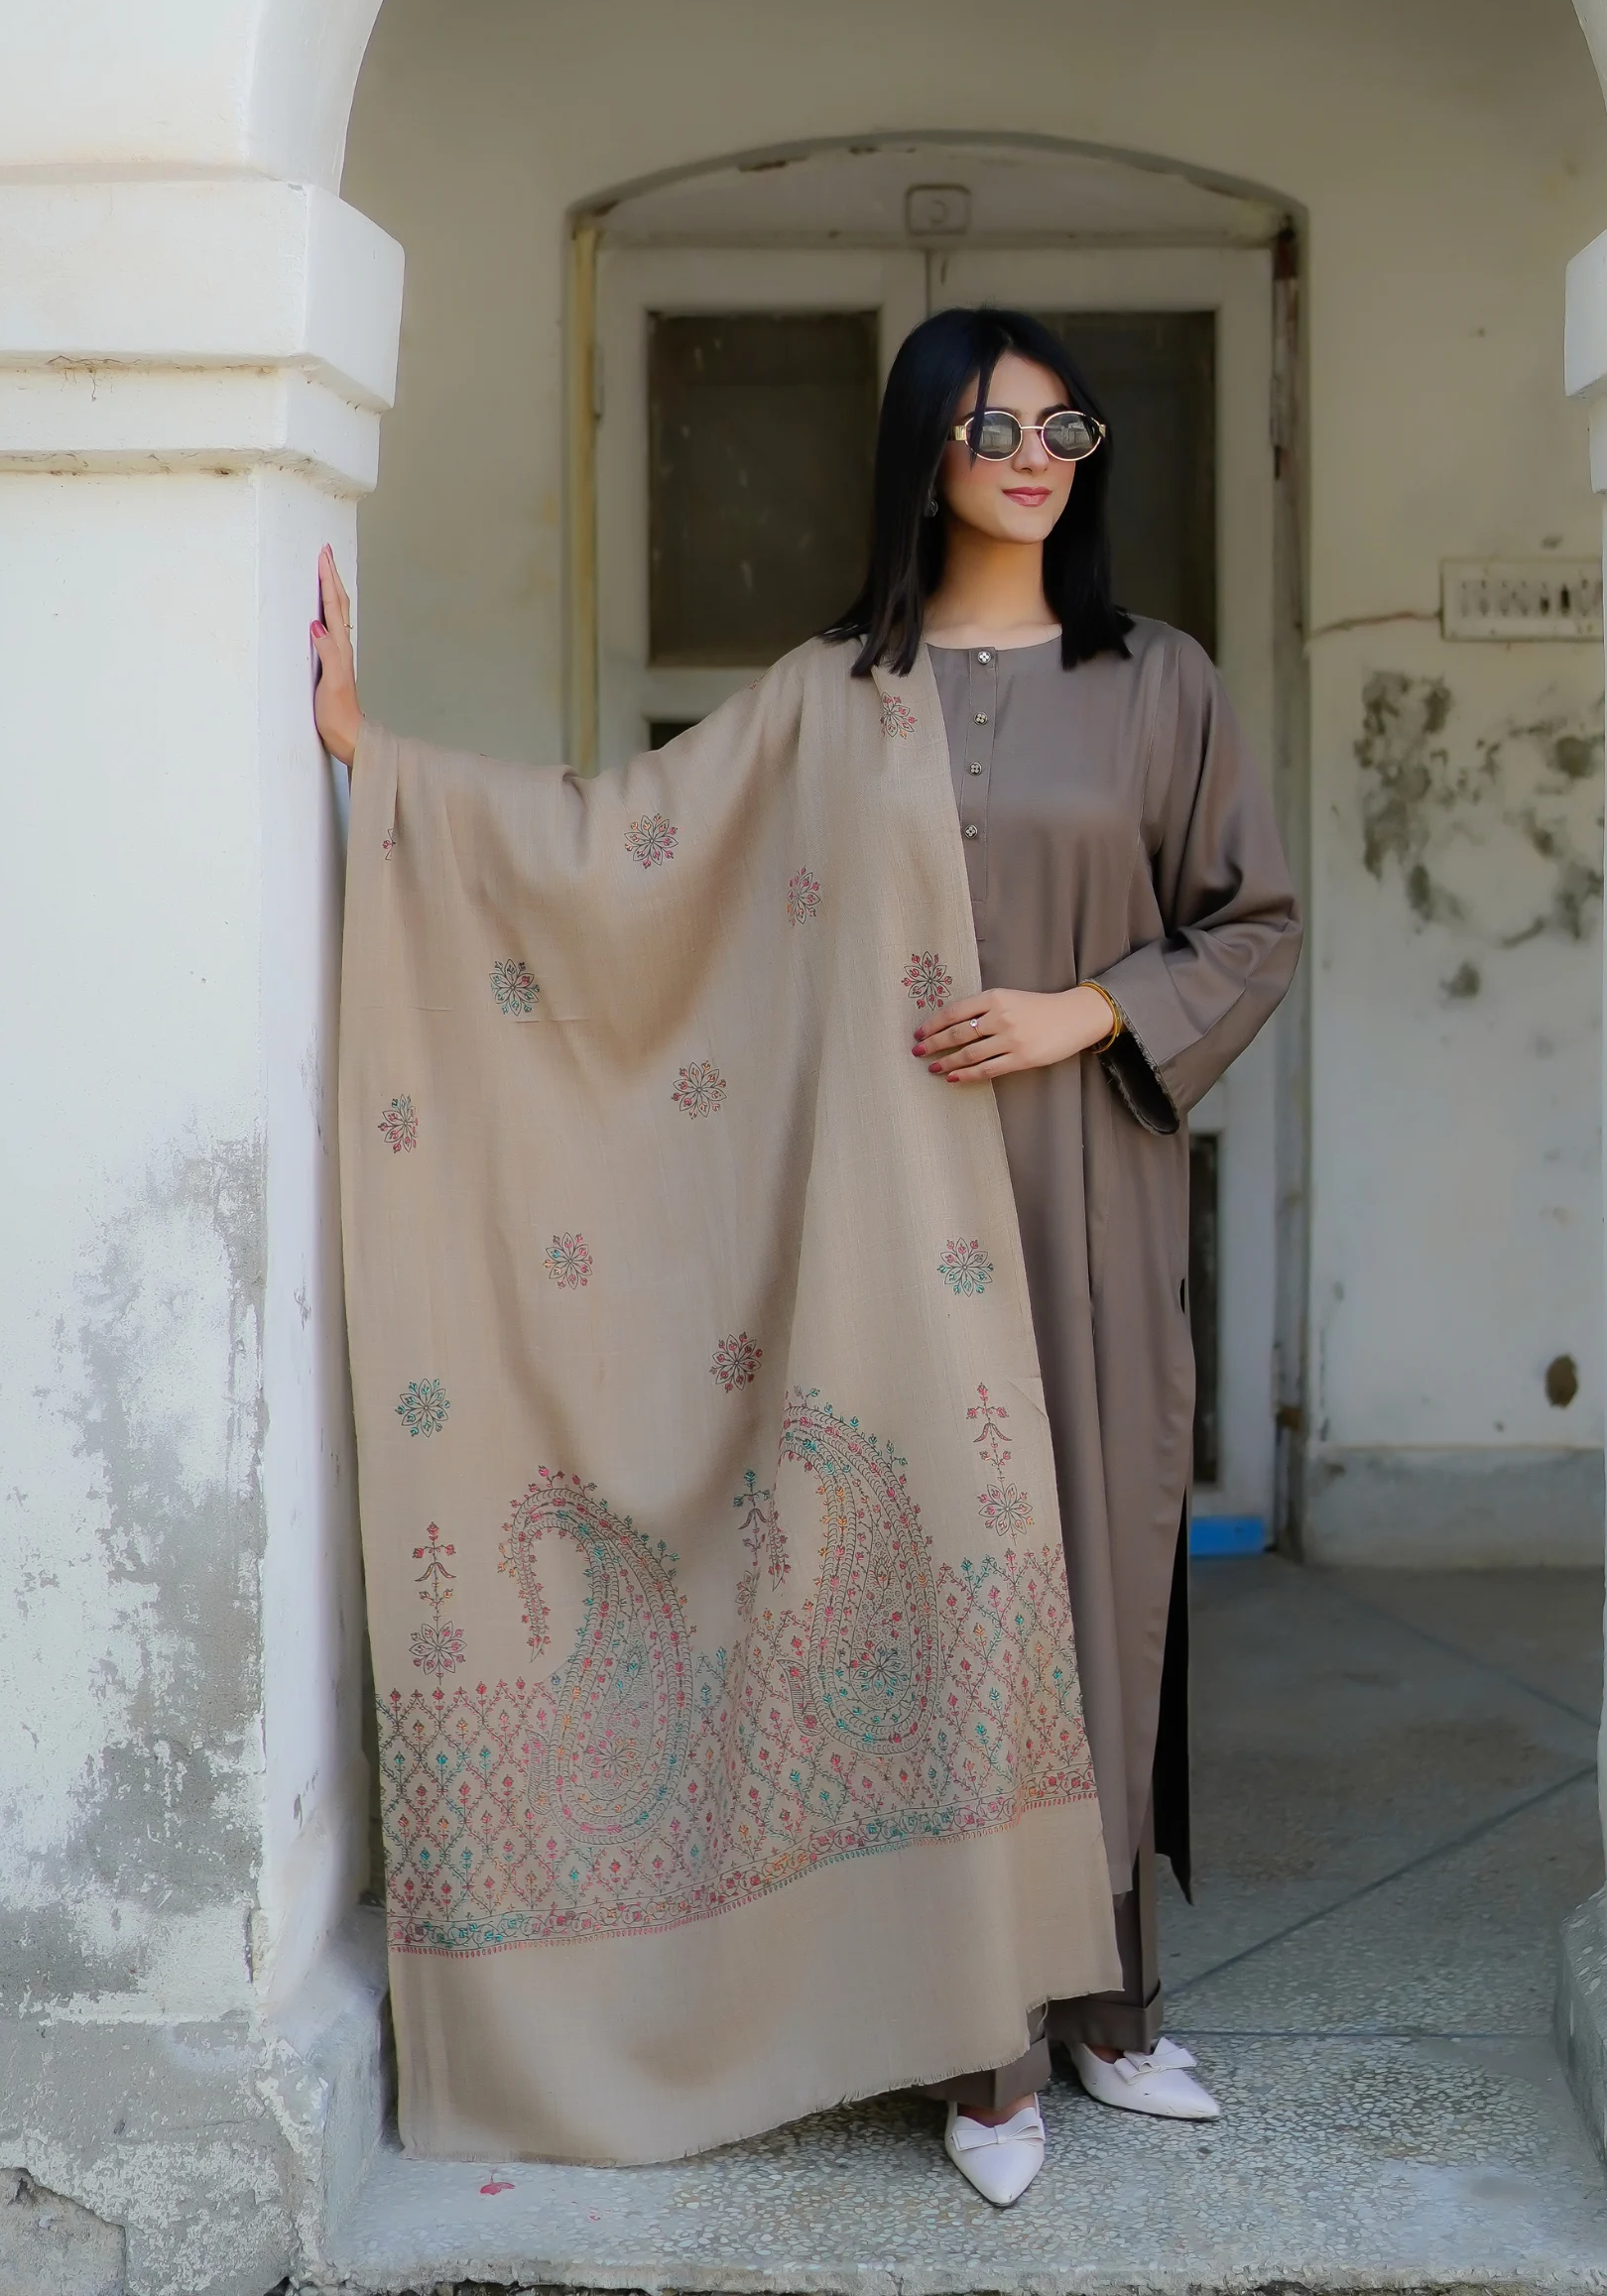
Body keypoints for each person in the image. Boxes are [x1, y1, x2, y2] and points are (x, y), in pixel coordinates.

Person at [311, 305, 1299, 2207]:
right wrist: (384, 762)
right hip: (881, 1223)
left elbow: (1248, 923)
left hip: (1087, 1194)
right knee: (932, 1590)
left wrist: (1085, 1009)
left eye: (1065, 428)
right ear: (924, 451)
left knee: (1098, 1586)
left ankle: (1110, 2009)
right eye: (993, 428)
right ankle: (984, 2050)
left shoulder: (1158, 680)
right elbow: (621, 849)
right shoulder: (830, 697)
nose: (1034, 459)